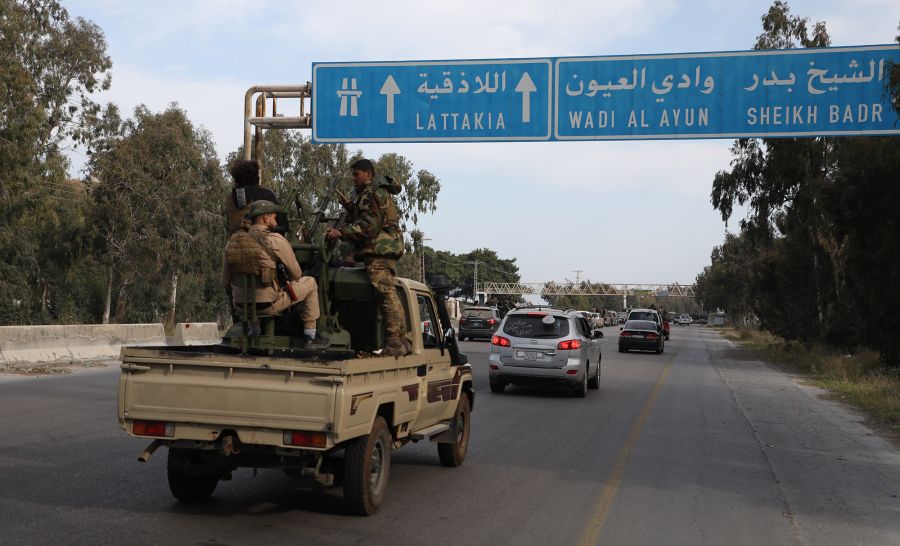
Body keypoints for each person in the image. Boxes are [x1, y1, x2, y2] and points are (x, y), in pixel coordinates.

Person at [325, 159, 408, 357]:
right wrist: (351, 208)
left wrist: (341, 232)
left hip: (379, 250)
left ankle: (394, 343)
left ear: (368, 174)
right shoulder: (375, 192)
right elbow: (371, 219)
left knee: (385, 295)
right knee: (388, 294)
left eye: (357, 174)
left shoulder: (371, 192)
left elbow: (369, 226)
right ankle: (401, 340)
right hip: (385, 248)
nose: (354, 179)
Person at [222, 200, 320, 342]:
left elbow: (225, 281)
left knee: (251, 293)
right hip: (269, 305)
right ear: (265, 218)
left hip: (241, 307)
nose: (276, 221)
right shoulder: (274, 240)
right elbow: (296, 274)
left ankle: (254, 331)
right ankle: (310, 334)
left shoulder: (232, 243)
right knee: (310, 282)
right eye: (274, 217)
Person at [225, 159, 279, 234]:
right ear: (255, 176)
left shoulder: (229, 199)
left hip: (234, 239)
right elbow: (280, 223)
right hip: (261, 240)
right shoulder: (266, 194)